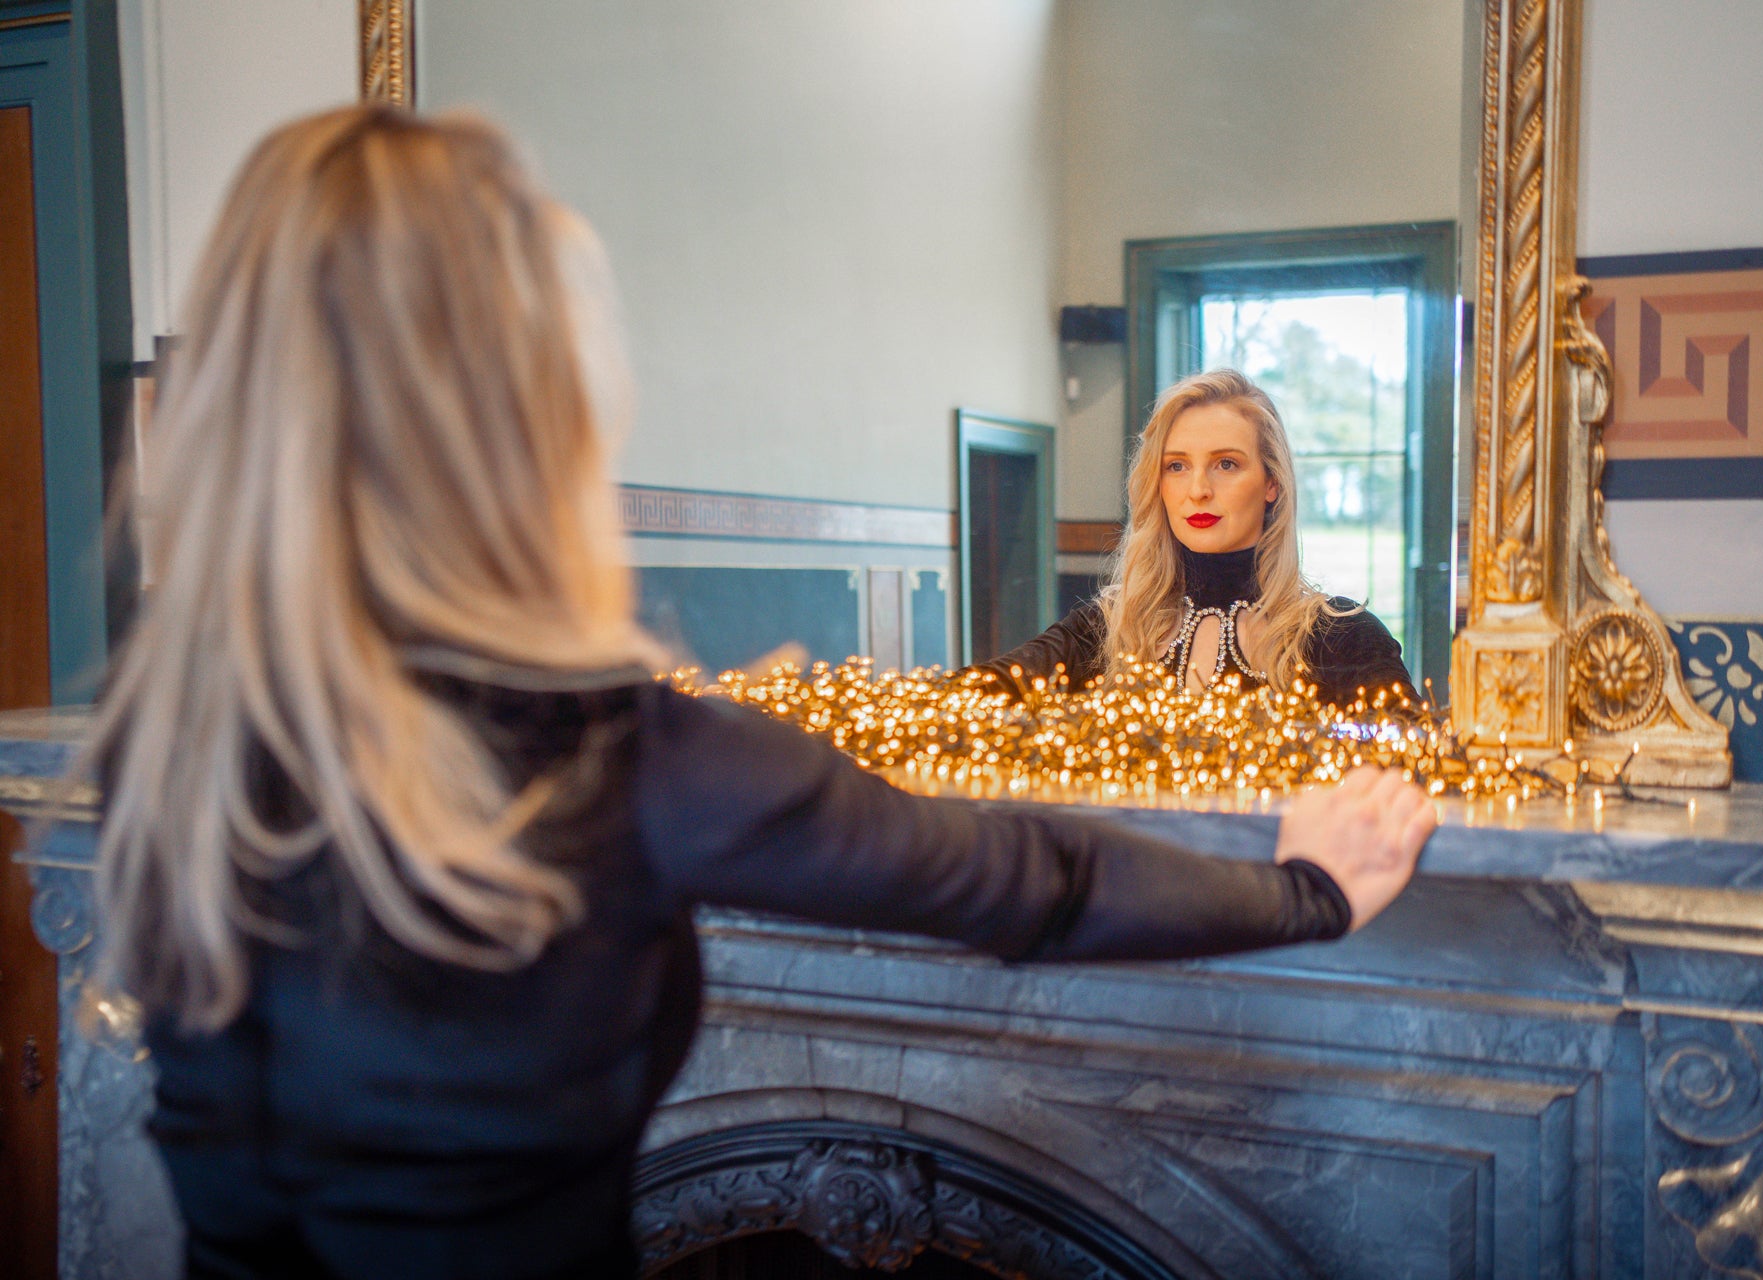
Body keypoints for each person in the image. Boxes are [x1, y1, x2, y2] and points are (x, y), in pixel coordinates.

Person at [82, 105, 1436, 1280]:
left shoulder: (168, 724)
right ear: (526, 407)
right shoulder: (615, 757)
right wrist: (1305, 893)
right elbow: (1026, 882)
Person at [978, 369, 1415, 707]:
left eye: (1226, 464)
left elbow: (1414, 763)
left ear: (1272, 483)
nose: (1198, 490)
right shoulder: (1110, 626)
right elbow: (979, 692)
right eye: (1177, 466)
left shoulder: (1342, 636)